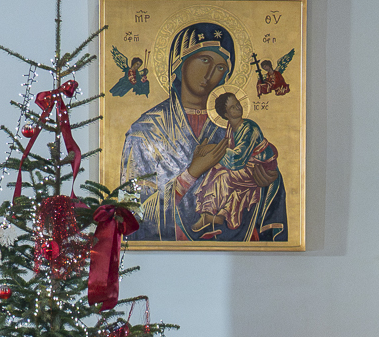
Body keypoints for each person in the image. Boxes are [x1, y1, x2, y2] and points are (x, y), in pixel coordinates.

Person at [119, 22, 289, 243]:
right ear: (180, 63)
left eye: (220, 67)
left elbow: (261, 171)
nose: (210, 74)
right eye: (205, 60)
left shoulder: (234, 126)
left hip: (239, 250)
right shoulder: (145, 131)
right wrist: (191, 174)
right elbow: (130, 214)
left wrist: (268, 179)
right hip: (167, 257)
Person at [191, 93, 280, 237]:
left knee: (224, 176)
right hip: (247, 166)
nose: (238, 107)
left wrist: (212, 149)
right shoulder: (231, 128)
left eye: (237, 103)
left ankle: (215, 214)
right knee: (216, 170)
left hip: (260, 167)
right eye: (233, 107)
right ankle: (209, 214)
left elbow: (237, 160)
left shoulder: (250, 128)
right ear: (226, 114)